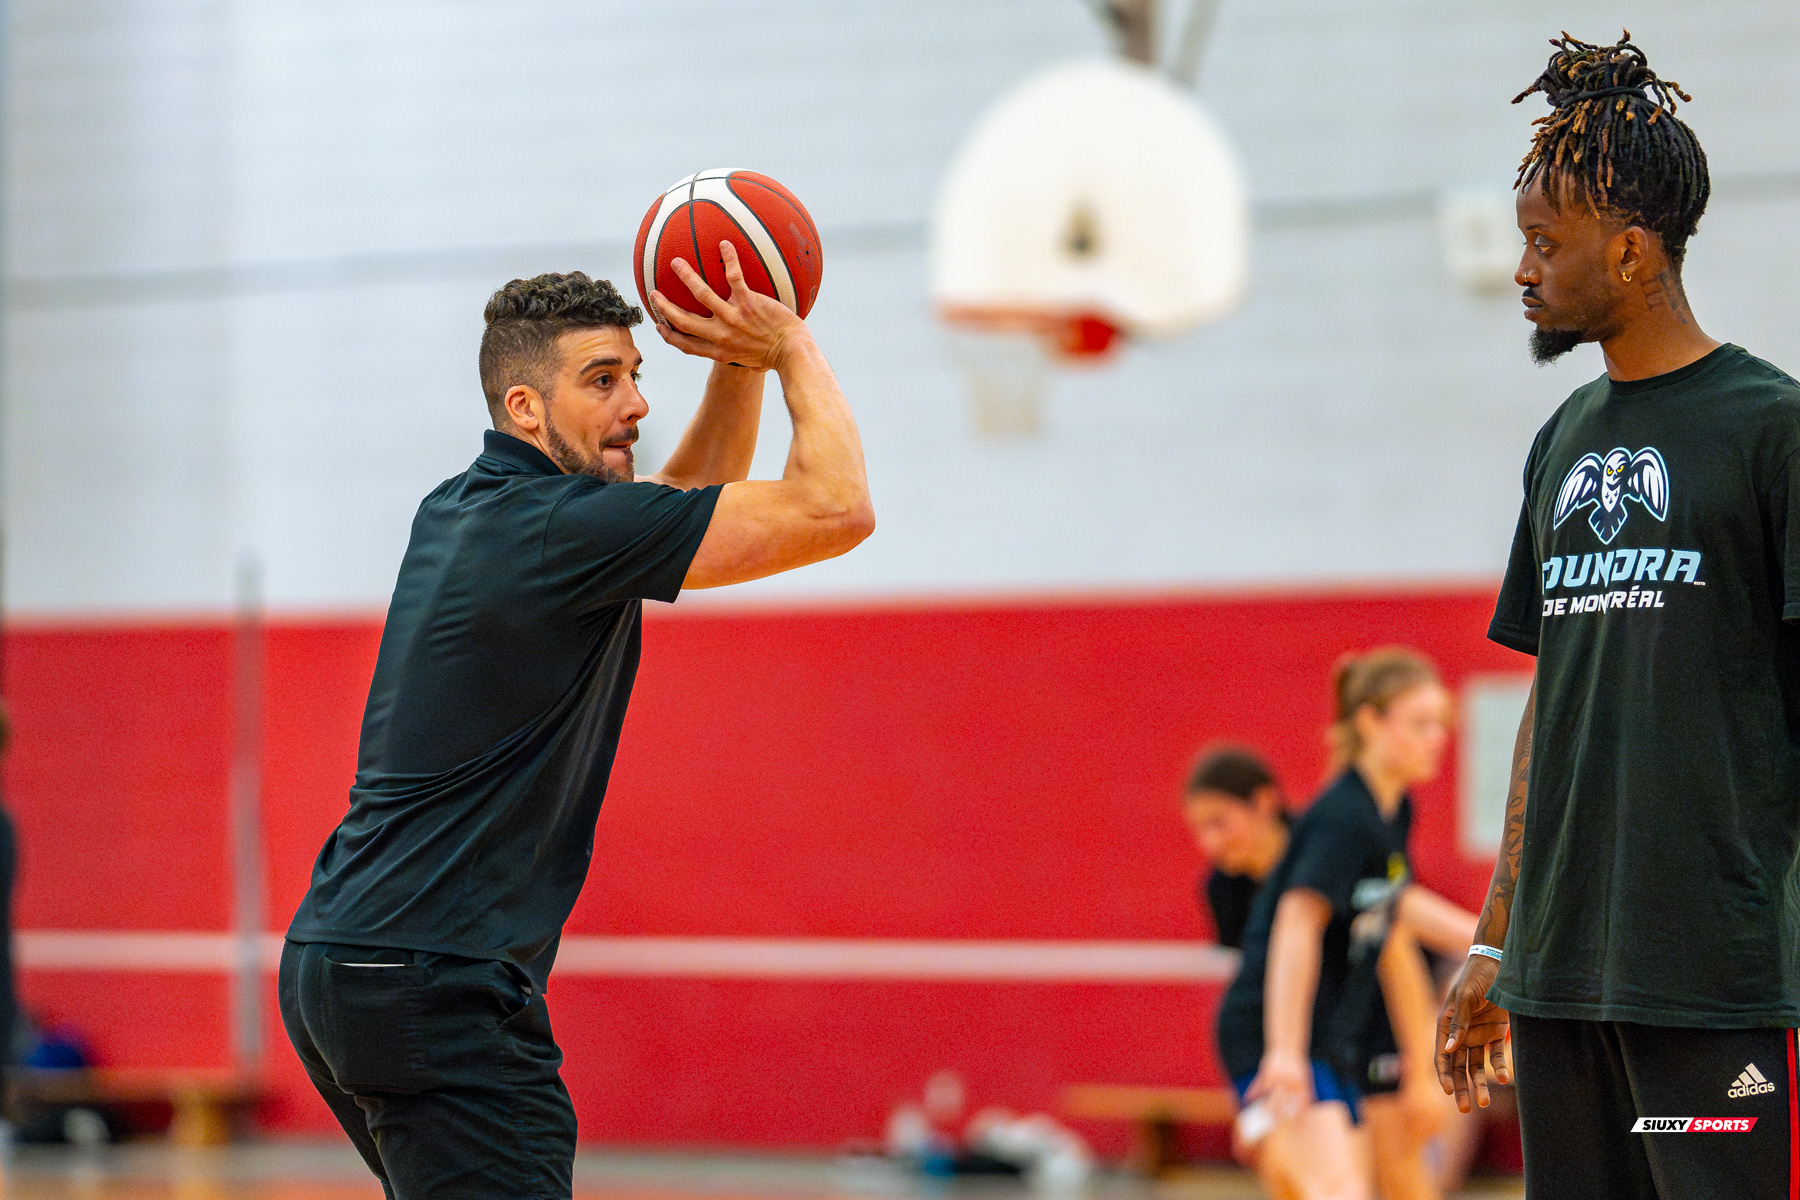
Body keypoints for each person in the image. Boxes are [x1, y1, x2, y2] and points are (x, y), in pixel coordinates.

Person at [281, 244, 874, 1198]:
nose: (636, 402)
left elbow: (679, 507)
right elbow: (837, 507)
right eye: (603, 380)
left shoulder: (475, 509)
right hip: (436, 975)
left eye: (635, 375)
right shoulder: (554, 529)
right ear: (524, 407)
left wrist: (737, 362)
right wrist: (792, 343)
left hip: (350, 961)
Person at [1438, 31, 1800, 1199]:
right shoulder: (1561, 440)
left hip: (1706, 973)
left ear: (1634, 253)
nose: (1523, 269)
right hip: (1556, 976)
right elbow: (1552, 702)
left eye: (1547, 244)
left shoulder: (1769, 430)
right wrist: (1499, 937)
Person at [1213, 650, 1462, 1200]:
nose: (1436, 738)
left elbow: (1396, 903)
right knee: (1339, 1192)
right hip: (1276, 1034)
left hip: (1330, 1039)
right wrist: (1283, 1051)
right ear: (1371, 722)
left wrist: (1495, 939)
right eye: (1420, 724)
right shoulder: (1342, 818)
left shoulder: (1391, 812)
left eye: (1441, 724)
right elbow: (1295, 925)